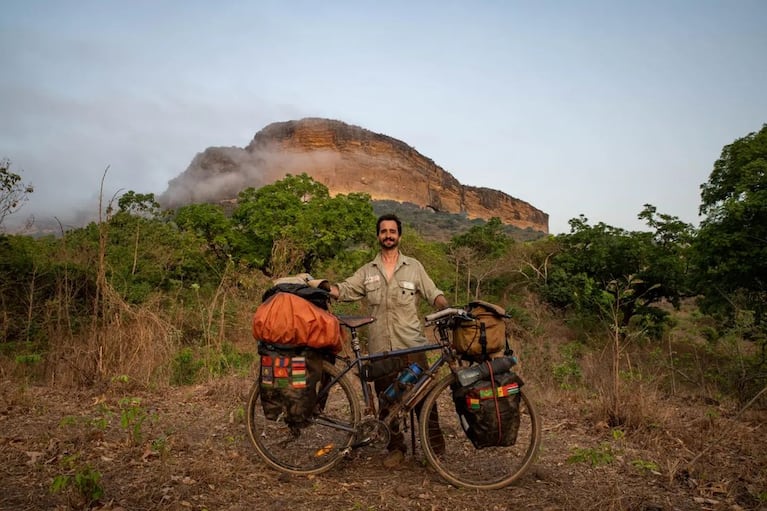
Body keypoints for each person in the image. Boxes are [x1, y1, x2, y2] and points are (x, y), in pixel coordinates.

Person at [325, 213, 448, 468]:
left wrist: (447, 309)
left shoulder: (414, 266)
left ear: (399, 236)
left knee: (424, 398)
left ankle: (435, 450)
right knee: (386, 400)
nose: (388, 235)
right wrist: (323, 287)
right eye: (384, 231)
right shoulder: (368, 271)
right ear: (378, 236)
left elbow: (433, 293)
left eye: (392, 231)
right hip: (381, 348)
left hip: (412, 344)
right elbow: (345, 289)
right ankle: (396, 449)